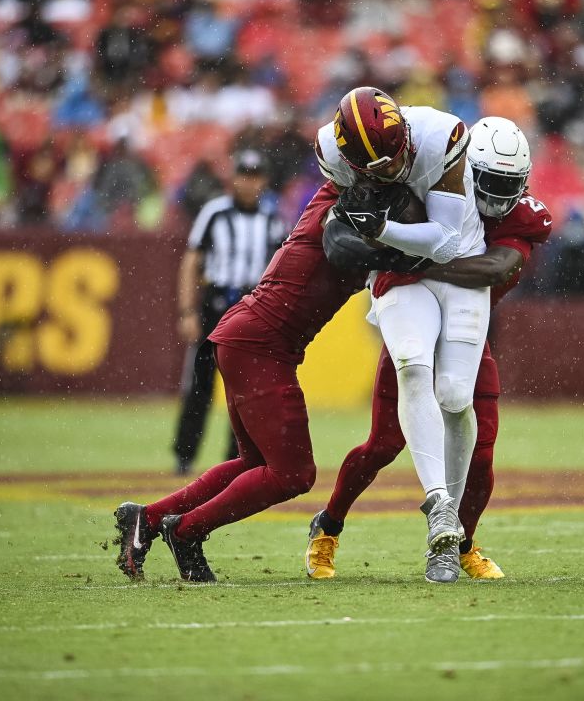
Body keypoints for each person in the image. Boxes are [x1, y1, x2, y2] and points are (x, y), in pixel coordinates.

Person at [111, 178, 424, 582]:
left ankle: (147, 518)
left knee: (254, 463)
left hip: (249, 338)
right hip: (260, 346)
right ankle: (186, 531)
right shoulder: (343, 228)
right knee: (293, 474)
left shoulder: (332, 203)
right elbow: (363, 246)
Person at [305, 117, 551, 583]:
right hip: (417, 315)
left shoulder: (515, 217)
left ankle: (460, 543)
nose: (499, 198)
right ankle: (330, 523)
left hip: (467, 331)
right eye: (491, 182)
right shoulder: (432, 185)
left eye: (509, 185)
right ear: (466, 168)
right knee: (382, 445)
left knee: (480, 450)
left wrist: (434, 265)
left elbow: (497, 267)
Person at [317, 87, 491, 579]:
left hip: (458, 267)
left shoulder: (441, 135)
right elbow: (342, 219)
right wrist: (355, 232)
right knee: (413, 367)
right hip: (396, 273)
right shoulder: (331, 151)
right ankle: (440, 514)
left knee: (456, 395)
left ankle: (451, 517)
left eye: (396, 160)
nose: (392, 172)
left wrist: (381, 230)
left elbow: (443, 242)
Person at [171, 150, 281, 475]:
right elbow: (192, 261)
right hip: (215, 304)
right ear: (234, 178)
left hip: (250, 308)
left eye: (255, 175)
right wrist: (188, 310)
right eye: (244, 175)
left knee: (246, 392)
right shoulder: (215, 213)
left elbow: (280, 268)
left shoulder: (273, 220)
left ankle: (237, 459)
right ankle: (184, 455)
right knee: (199, 385)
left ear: (264, 179)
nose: (249, 182)